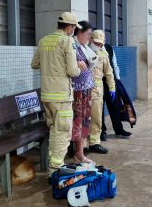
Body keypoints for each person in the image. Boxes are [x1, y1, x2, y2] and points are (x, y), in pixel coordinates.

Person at [31, 12, 87, 176]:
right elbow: (72, 71)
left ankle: (53, 165)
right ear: (69, 27)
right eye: (74, 28)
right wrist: (79, 66)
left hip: (47, 96)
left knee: (54, 130)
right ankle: (55, 170)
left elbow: (34, 64)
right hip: (61, 96)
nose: (74, 31)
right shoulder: (67, 41)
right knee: (62, 132)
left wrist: (51, 64)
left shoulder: (44, 40)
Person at [71, 21, 97, 163]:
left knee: (84, 121)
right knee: (78, 122)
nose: (89, 37)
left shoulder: (83, 47)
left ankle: (80, 153)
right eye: (87, 34)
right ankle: (77, 153)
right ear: (79, 33)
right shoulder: (72, 47)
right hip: (77, 92)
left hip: (86, 90)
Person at [88, 30, 116, 154]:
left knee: (96, 118)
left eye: (100, 44)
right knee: (81, 119)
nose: (98, 45)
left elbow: (109, 74)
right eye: (96, 43)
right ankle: (81, 145)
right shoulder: (82, 51)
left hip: (97, 92)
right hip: (82, 92)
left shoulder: (104, 55)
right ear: (90, 39)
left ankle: (95, 143)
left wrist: (112, 88)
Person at [100, 44, 132, 141]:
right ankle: (102, 132)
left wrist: (117, 80)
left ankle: (119, 129)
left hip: (111, 83)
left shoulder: (109, 48)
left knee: (115, 106)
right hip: (99, 84)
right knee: (100, 110)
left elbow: (114, 64)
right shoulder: (92, 49)